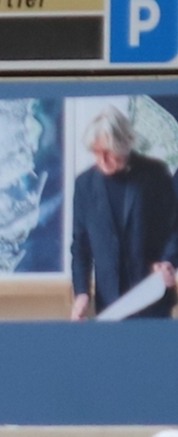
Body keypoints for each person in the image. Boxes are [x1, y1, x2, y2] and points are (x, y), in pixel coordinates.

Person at [69, 105, 178, 320]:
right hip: (109, 305)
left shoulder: (155, 175)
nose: (103, 160)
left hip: (152, 298)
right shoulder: (84, 185)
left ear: (125, 144)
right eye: (96, 152)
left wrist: (168, 261)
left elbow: (174, 228)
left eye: (109, 152)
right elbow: (80, 246)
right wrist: (81, 293)